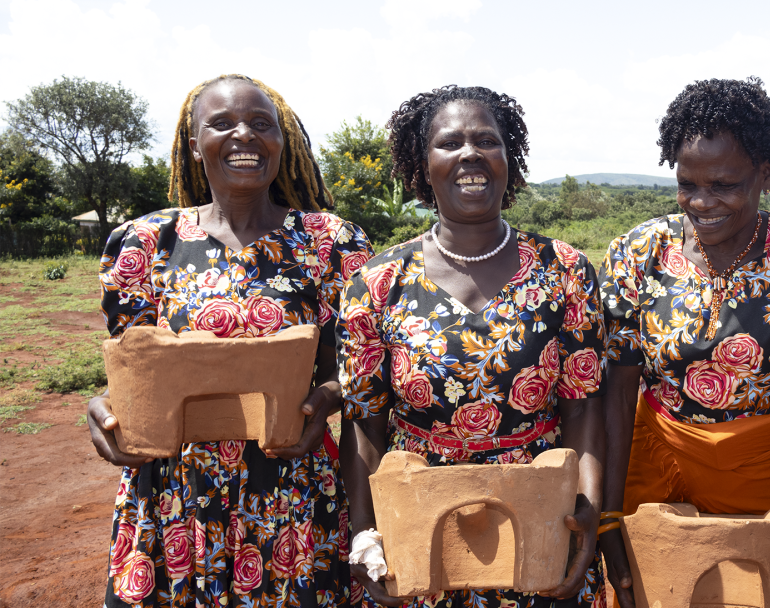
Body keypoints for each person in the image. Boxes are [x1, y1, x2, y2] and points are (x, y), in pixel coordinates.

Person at [87, 74, 374, 607]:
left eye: (261, 124)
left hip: (291, 487)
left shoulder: (330, 243)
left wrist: (327, 397)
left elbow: (353, 371)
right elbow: (135, 370)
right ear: (194, 144)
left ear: (282, 144)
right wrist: (104, 407)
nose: (244, 135)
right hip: (175, 492)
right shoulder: (147, 243)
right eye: (221, 124)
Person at [336, 85, 607, 608]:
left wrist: (586, 510)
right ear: (423, 163)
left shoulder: (565, 271)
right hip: (420, 525)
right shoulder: (376, 282)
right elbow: (364, 426)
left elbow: (585, 408)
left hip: (538, 520)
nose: (470, 155)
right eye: (449, 143)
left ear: (510, 158)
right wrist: (367, 534)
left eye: (487, 140)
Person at [599, 77, 770, 608]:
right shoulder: (640, 251)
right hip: (657, 462)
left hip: (767, 469)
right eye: (687, 184)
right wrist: (610, 515)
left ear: (766, 175)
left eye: (725, 185)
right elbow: (616, 393)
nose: (702, 202)